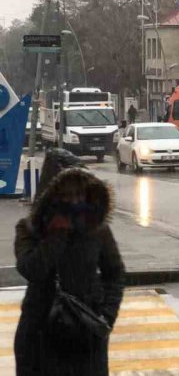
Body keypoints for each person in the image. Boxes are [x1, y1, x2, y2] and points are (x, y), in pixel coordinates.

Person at [14, 150, 125, 375]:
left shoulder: (95, 228)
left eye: (79, 193)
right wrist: (56, 235)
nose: (74, 200)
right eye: (66, 194)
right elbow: (32, 269)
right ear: (51, 195)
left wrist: (106, 316)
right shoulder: (29, 228)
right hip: (40, 335)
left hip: (86, 337)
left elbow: (115, 273)